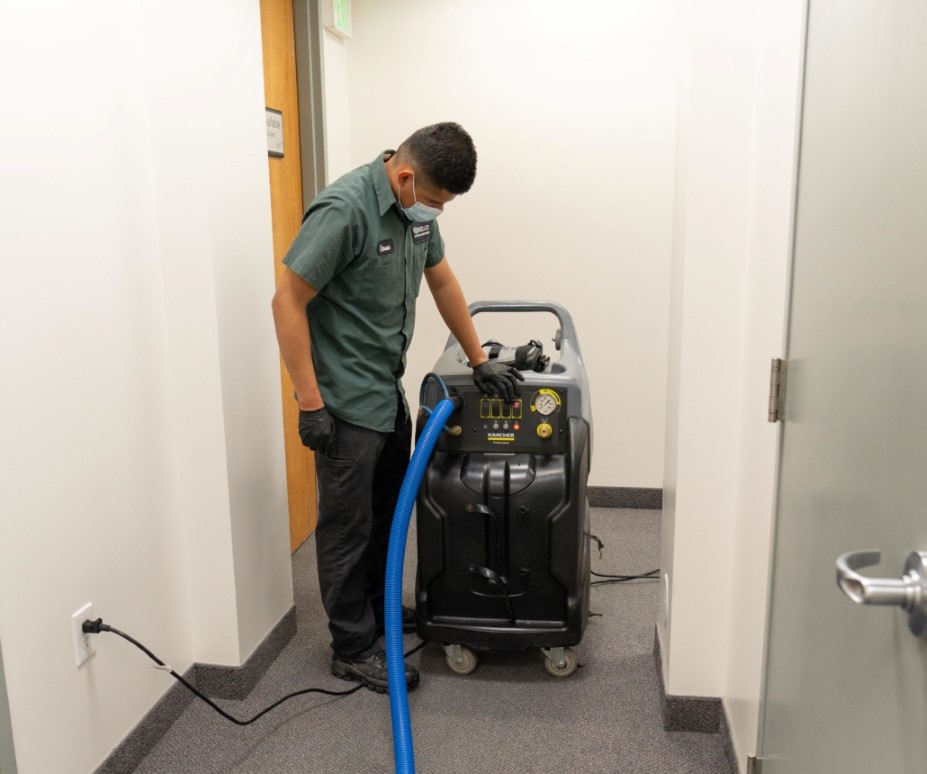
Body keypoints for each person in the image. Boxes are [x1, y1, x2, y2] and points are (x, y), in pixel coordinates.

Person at [271, 122, 523, 693]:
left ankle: (378, 610)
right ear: (405, 177)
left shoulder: (415, 217)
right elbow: (286, 300)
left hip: (386, 393)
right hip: (342, 404)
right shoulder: (345, 210)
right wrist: (310, 402)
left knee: (387, 513)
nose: (436, 213)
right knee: (347, 528)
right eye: (433, 201)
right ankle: (353, 646)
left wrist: (479, 358)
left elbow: (443, 282)